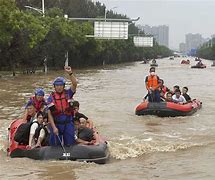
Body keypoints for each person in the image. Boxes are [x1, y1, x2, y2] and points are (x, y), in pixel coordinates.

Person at [47, 66, 77, 146]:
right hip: (57, 124)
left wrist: (70, 73)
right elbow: (49, 114)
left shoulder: (68, 93)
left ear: (63, 86)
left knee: (70, 144)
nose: (59, 87)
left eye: (61, 85)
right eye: (57, 85)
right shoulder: (51, 98)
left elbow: (74, 84)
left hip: (68, 123)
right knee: (55, 145)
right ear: (54, 86)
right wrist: (53, 128)